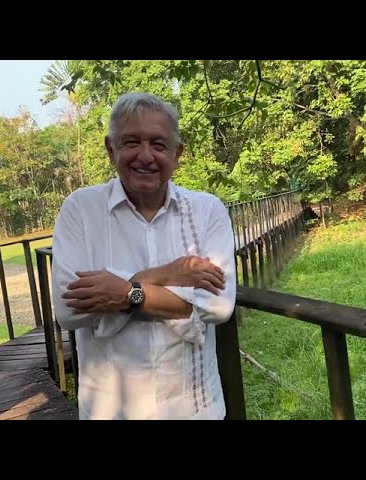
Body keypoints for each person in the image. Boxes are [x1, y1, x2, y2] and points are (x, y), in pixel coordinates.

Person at [51, 92, 237, 420]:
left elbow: (218, 306)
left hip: (195, 411)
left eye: (159, 144)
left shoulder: (208, 210)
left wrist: (124, 292)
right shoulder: (80, 209)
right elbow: (69, 311)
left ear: (177, 153)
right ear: (111, 149)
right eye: (131, 142)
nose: (145, 155)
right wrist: (166, 275)